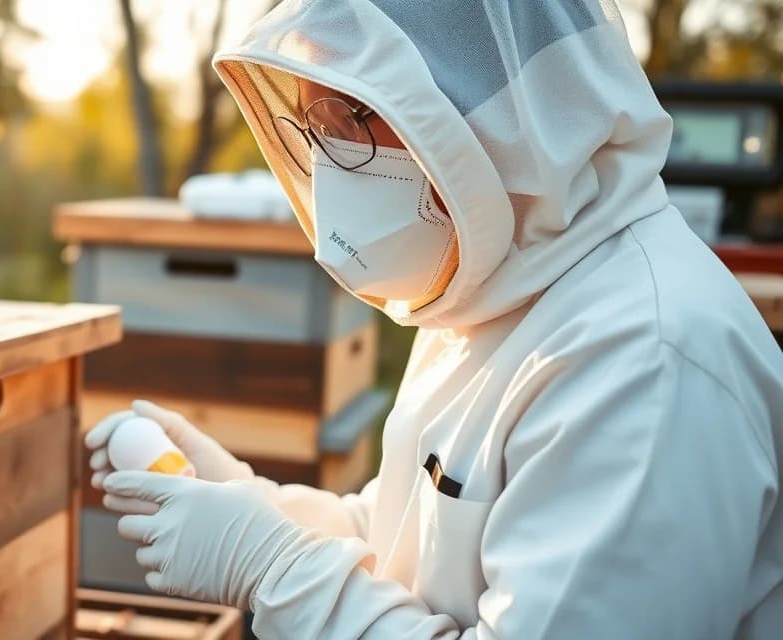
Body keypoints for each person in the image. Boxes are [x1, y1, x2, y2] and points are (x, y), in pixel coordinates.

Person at [86, 1, 783, 637]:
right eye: (311, 124)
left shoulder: (645, 363)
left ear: (470, 103)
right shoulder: (501, 286)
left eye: (349, 116)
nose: (327, 165)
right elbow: (413, 542)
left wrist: (273, 566)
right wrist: (261, 507)